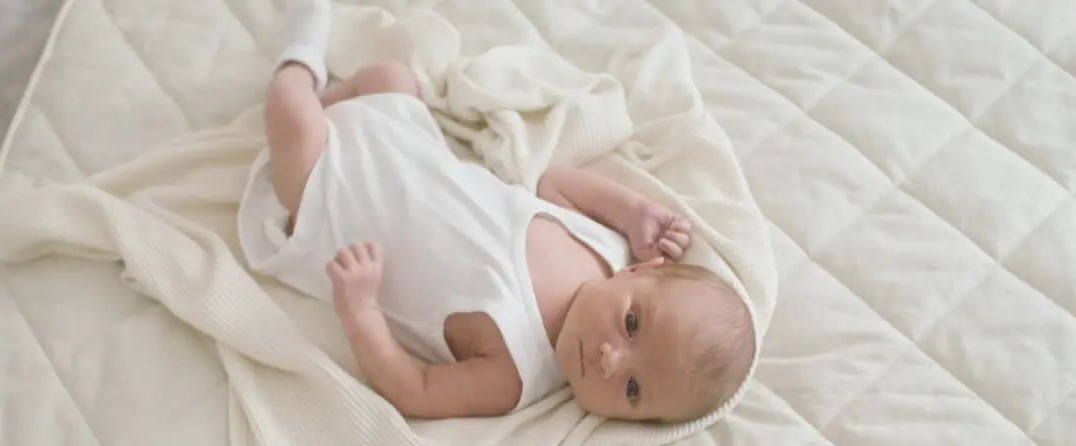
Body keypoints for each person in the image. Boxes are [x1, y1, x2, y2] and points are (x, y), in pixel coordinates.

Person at [237, 0, 756, 422]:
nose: (609, 358)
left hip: (336, 202)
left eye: (634, 389)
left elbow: (416, 390)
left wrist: (362, 311)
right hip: (409, 146)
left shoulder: (514, 373)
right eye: (633, 322)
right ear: (640, 271)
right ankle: (341, 99)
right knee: (391, 75)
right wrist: (632, 212)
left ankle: (299, 57)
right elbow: (554, 182)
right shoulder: (605, 249)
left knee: (292, 117)